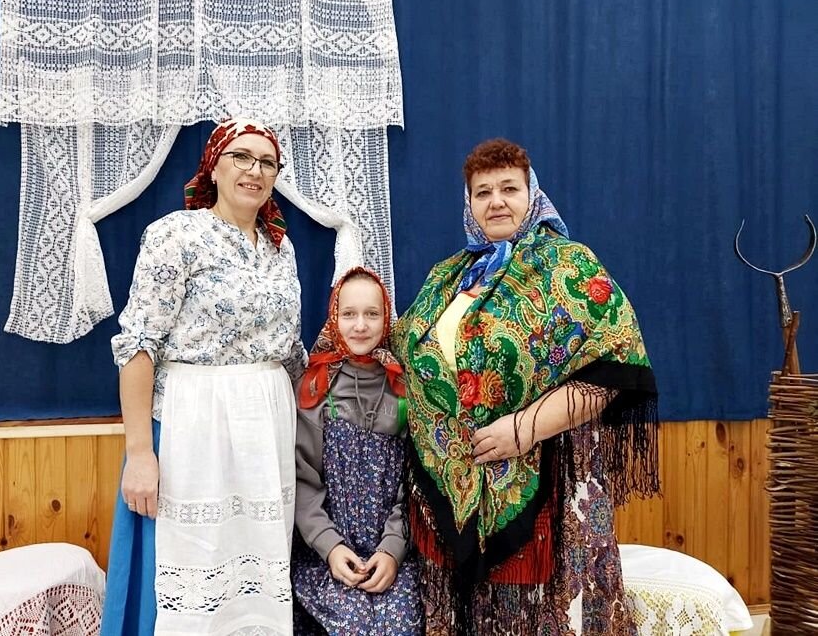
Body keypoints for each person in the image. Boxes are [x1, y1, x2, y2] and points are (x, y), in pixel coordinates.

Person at [391, 138, 659, 634]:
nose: (496, 202)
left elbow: (615, 363)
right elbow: (406, 352)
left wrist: (524, 428)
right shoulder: (447, 277)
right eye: (483, 192)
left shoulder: (568, 266)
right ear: (468, 203)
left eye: (509, 188)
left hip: (545, 488)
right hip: (448, 491)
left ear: (532, 194)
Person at [101, 118, 308, 635]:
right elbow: (138, 344)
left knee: (255, 575)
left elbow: (291, 351)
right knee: (189, 577)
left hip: (265, 431)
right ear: (214, 167)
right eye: (242, 157)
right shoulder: (175, 235)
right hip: (193, 426)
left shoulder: (281, 247)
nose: (255, 171)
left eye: (267, 162)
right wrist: (139, 454)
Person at [292, 267, 424, 635]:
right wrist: (330, 547)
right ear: (334, 317)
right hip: (327, 554)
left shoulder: (404, 389)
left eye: (372, 314)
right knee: (354, 623)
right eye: (349, 314)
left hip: (393, 554)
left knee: (400, 622)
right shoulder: (316, 387)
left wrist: (392, 550)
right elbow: (303, 481)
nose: (361, 325)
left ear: (387, 318)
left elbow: (414, 485)